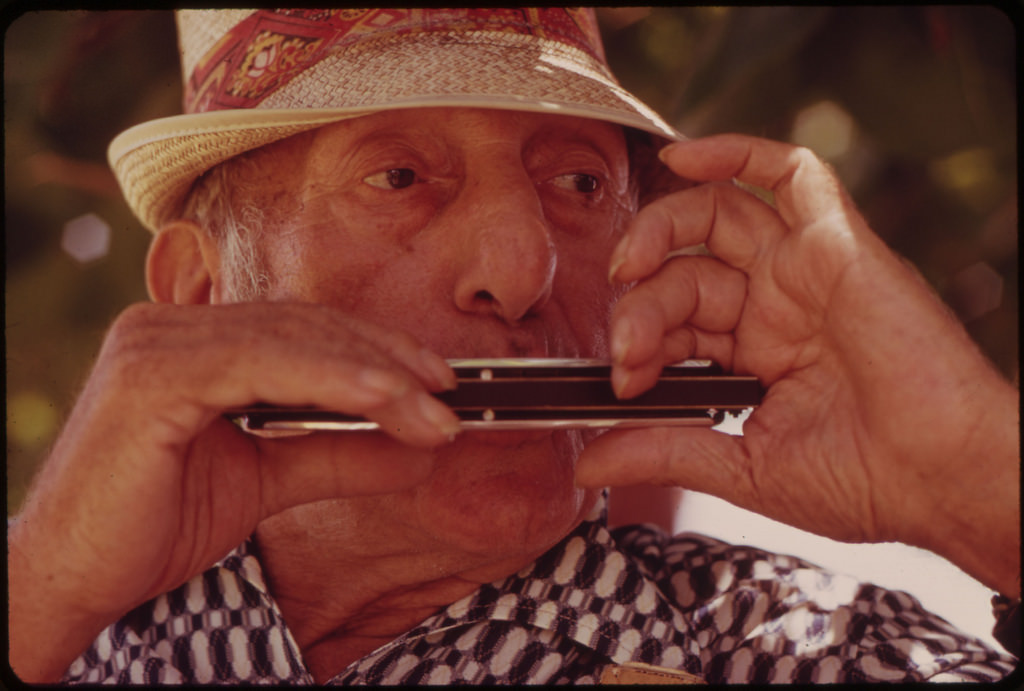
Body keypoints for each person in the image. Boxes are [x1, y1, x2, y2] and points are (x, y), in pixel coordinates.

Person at [7, 8, 1019, 685]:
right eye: (399, 177)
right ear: (201, 293)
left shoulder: (801, 651)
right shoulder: (51, 618)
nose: (523, 266)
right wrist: (41, 597)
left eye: (579, 184)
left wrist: (981, 489)